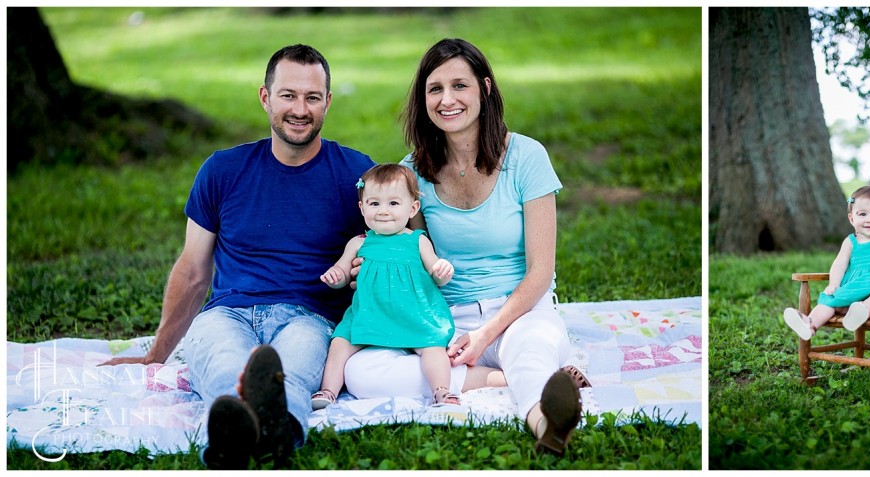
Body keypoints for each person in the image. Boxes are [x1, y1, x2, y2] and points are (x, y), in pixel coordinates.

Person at [100, 44, 375, 469]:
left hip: (310, 316)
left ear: (327, 102)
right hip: (227, 313)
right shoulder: (222, 170)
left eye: (312, 97)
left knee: (292, 370)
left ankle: (277, 426)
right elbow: (193, 270)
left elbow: (393, 245)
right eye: (288, 95)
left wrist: (362, 270)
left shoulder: (356, 174)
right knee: (224, 362)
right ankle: (234, 427)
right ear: (265, 97)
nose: (300, 109)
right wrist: (157, 354)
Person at [343, 38, 590, 456]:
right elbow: (414, 254)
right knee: (361, 371)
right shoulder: (412, 173)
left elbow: (540, 271)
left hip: (519, 311)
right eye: (434, 89)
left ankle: (548, 424)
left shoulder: (527, 157)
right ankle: (499, 379)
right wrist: (372, 272)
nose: (446, 99)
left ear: (486, 89)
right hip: (443, 318)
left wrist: (486, 335)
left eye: (460, 85)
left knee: (529, 352)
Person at [310, 163, 461, 410]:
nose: (383, 211)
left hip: (413, 315)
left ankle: (442, 391)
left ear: (412, 208)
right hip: (370, 314)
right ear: (362, 207)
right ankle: (328, 391)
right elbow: (343, 273)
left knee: (432, 347)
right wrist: (335, 276)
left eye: (393, 203)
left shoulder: (417, 240)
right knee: (340, 343)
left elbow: (436, 273)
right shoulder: (359, 243)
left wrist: (442, 271)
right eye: (374, 203)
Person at [784, 185, 870, 339]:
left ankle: (862, 311)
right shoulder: (850, 241)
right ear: (852, 218)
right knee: (830, 301)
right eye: (862, 214)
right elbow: (839, 264)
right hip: (855, 291)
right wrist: (834, 284)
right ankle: (810, 324)